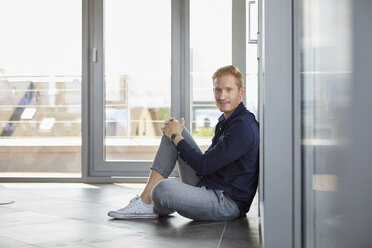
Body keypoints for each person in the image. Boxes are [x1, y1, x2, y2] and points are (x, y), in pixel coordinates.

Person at [108, 65, 259, 221]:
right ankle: (146, 201)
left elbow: (204, 166)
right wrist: (175, 135)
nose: (222, 96)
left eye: (228, 90)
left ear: (241, 91)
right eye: (218, 90)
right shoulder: (228, 120)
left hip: (226, 203)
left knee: (162, 188)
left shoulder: (243, 128)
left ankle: (155, 204)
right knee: (174, 132)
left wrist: (176, 137)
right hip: (209, 184)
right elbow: (208, 164)